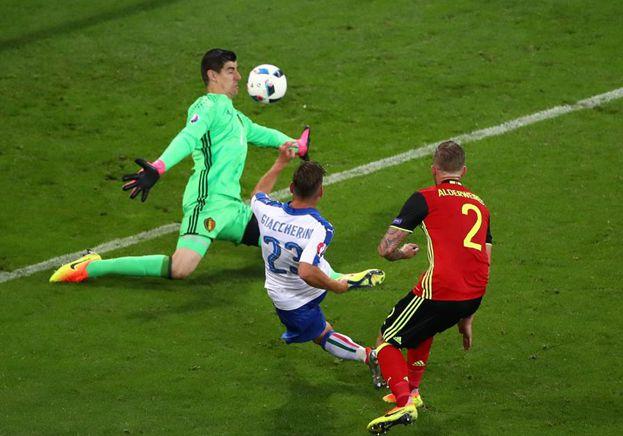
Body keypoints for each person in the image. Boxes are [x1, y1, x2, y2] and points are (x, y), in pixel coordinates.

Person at [50, 48, 316, 283]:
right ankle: (91, 266)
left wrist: (296, 145)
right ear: (212, 75)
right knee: (180, 268)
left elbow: (264, 134)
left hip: (232, 209)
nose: (238, 77)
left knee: (286, 245)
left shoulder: (236, 118)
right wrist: (158, 167)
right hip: (206, 202)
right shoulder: (207, 106)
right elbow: (188, 137)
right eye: (231, 70)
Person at [366, 141, 493, 434]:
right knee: (424, 327)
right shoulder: (481, 205)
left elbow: (385, 249)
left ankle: (403, 403)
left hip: (442, 290)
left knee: (387, 339)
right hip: (474, 293)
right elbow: (485, 260)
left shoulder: (425, 198)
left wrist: (401, 254)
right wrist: (468, 316)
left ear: (434, 169)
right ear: (464, 171)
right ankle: (413, 390)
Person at [250, 157, 386, 388]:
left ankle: (368, 356)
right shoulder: (320, 227)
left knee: (322, 335)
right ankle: (339, 277)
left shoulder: (267, 211)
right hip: (315, 280)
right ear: (320, 192)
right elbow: (308, 268)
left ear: (291, 188)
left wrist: (280, 162)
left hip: (291, 299)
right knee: (313, 257)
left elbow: (258, 194)